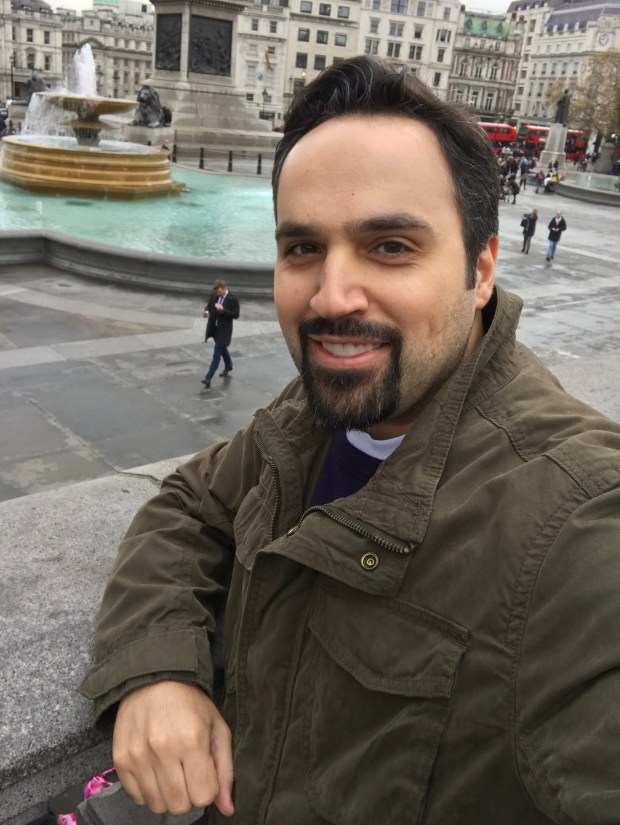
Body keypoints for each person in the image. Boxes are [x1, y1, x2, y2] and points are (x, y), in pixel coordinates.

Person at [80, 56, 620, 823]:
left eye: (391, 245)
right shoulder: (314, 415)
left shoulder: (579, 525)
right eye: (302, 248)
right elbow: (189, 504)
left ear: (481, 270)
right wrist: (157, 668)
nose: (331, 297)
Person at [201, 279, 240, 388]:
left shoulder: (233, 299)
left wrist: (222, 310)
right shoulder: (214, 295)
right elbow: (209, 306)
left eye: (219, 292)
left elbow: (236, 315)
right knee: (222, 349)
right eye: (216, 292)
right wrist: (206, 311)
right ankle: (229, 365)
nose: (217, 294)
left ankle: (208, 377)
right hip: (215, 328)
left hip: (224, 331)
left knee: (217, 353)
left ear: (224, 288)